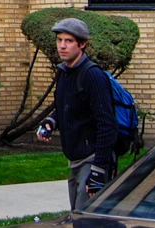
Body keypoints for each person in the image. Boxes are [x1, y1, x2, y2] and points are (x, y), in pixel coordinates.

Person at [33, 17, 118, 211]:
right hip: (74, 161)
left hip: (92, 160)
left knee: (86, 220)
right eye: (59, 40)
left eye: (69, 41)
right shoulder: (64, 72)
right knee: (77, 217)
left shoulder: (92, 76)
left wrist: (98, 171)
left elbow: (108, 125)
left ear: (82, 44)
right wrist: (51, 122)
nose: (62, 46)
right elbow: (65, 106)